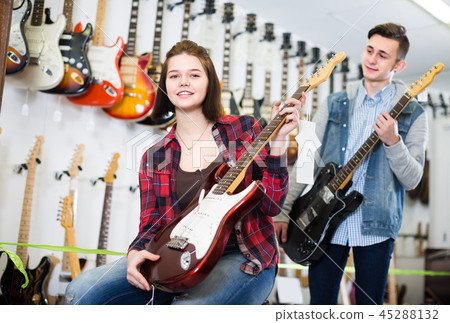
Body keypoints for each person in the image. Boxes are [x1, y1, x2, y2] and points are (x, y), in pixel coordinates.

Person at [65, 40, 305, 305]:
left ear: (209, 82)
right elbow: (151, 223)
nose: (184, 82)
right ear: (165, 85)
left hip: (241, 255)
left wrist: (279, 140)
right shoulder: (154, 156)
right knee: (82, 290)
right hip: (176, 257)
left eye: (194, 75)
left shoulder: (244, 129)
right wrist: (135, 252)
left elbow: (271, 204)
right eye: (174, 76)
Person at [274, 23, 428, 305]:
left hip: (376, 225)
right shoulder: (334, 102)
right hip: (323, 220)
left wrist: (393, 141)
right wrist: (284, 211)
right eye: (370, 50)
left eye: (383, 55)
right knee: (320, 306)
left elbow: (413, 180)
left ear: (399, 64)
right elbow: (307, 158)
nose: (371, 59)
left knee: (370, 307)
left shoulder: (413, 115)